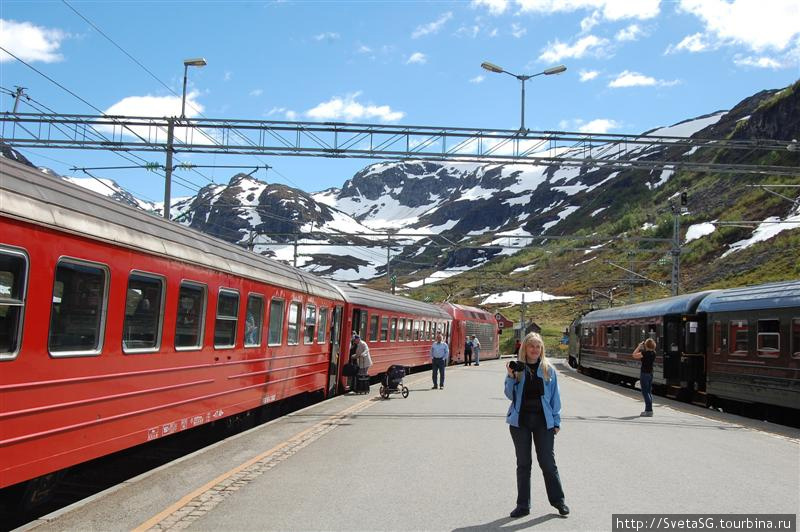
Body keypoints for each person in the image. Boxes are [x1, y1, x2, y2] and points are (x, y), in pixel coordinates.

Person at [504, 332, 569, 519]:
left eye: (538, 346)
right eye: (531, 346)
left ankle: (559, 501)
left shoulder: (548, 369)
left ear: (541, 349)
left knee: (548, 463)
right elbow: (509, 394)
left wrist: (556, 421)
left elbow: (555, 398)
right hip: (520, 423)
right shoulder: (518, 368)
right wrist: (511, 377)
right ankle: (523, 505)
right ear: (525, 348)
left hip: (544, 423)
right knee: (523, 464)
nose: (535, 349)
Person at [632, 338, 656, 417]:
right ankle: (648, 410)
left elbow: (634, 355)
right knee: (649, 392)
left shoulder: (644, 353)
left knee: (645, 392)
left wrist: (639, 346)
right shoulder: (654, 353)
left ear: (646, 345)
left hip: (644, 374)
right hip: (650, 374)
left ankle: (649, 411)